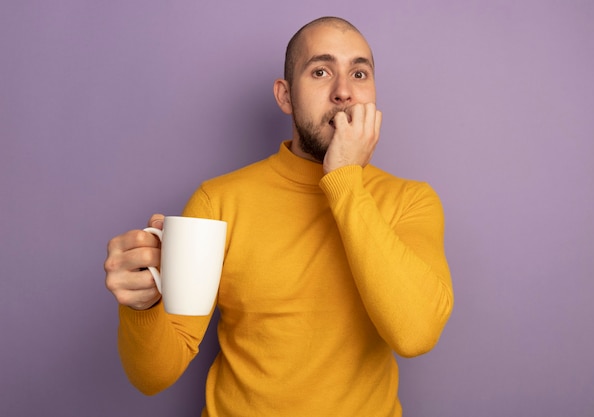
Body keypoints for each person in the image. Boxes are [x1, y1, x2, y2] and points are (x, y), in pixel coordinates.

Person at [104, 16, 454, 417]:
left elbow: (416, 334)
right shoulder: (218, 202)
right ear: (285, 96)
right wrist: (143, 307)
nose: (343, 92)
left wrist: (343, 182)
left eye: (359, 73)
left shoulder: (410, 201)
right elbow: (154, 377)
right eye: (321, 71)